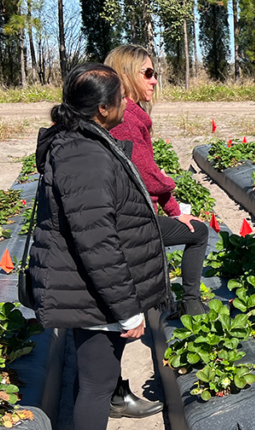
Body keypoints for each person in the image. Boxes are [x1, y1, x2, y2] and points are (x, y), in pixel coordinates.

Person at [29, 63, 171, 430]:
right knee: (97, 385)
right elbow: (97, 242)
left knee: (95, 377)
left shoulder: (83, 142)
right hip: (93, 295)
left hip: (91, 292)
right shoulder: (84, 156)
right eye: (120, 96)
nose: (127, 101)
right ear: (102, 109)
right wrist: (127, 310)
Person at [106, 43, 210, 320]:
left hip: (130, 214)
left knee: (188, 226)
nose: (154, 80)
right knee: (199, 233)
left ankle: (166, 298)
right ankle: (192, 303)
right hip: (130, 221)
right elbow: (147, 176)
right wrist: (167, 181)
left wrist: (176, 212)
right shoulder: (126, 117)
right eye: (147, 73)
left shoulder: (124, 112)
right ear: (126, 74)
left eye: (155, 73)